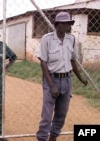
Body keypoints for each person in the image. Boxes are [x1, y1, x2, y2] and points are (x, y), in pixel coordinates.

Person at [36, 12, 88, 141]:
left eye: (68, 23)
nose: (65, 25)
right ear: (56, 24)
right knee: (47, 115)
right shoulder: (47, 39)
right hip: (51, 80)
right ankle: (42, 138)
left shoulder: (71, 39)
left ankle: (53, 138)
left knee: (61, 114)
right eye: (63, 23)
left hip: (67, 80)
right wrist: (52, 86)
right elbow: (43, 62)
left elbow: (72, 61)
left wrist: (80, 78)